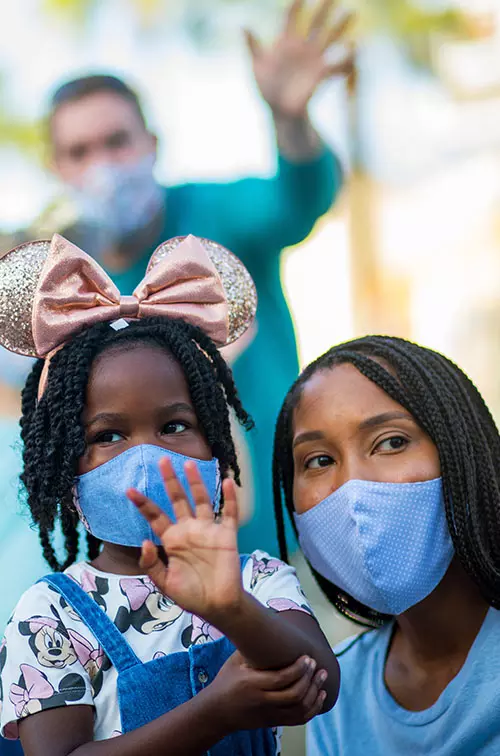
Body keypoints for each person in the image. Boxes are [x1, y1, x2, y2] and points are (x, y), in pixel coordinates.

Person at [15, 0, 353, 556]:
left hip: (279, 534)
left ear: (152, 145)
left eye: (116, 141)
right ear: (58, 169)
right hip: (142, 565)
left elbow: (301, 199)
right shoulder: (61, 287)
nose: (102, 165)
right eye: (80, 150)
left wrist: (291, 121)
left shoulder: (212, 218)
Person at [0, 233, 339, 753]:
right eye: (107, 436)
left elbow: (319, 686)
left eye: (175, 425)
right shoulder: (49, 615)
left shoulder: (258, 579)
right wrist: (215, 711)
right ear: (65, 474)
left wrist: (231, 608)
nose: (150, 456)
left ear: (218, 447)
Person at [272, 335, 500, 755]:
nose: (352, 487)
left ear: (463, 451)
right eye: (319, 461)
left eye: (391, 442)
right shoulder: (338, 689)